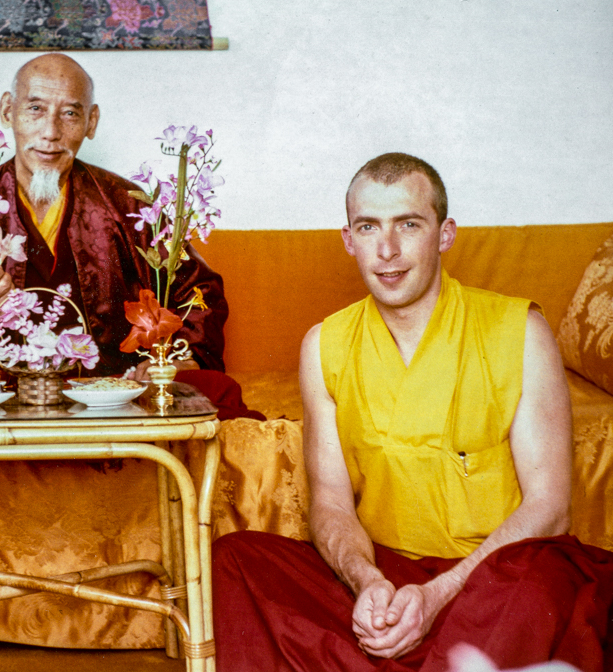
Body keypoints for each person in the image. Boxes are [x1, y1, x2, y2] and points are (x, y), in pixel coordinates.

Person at [211, 153, 613, 671]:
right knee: (238, 561)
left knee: (540, 587)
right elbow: (331, 502)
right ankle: (427, 651)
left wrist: (438, 594)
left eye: (408, 224)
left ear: (444, 234)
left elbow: (550, 507)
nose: (387, 250)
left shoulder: (519, 333)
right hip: (389, 571)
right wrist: (368, 583)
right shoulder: (323, 346)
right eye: (368, 227)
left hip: (494, 573)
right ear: (347, 239)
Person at [0, 53, 260, 419]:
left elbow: (198, 292)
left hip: (113, 393)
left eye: (70, 114)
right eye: (35, 108)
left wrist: (182, 357)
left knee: (216, 392)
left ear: (91, 122)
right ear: (7, 111)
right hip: (2, 397)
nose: (50, 133)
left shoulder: (127, 205)